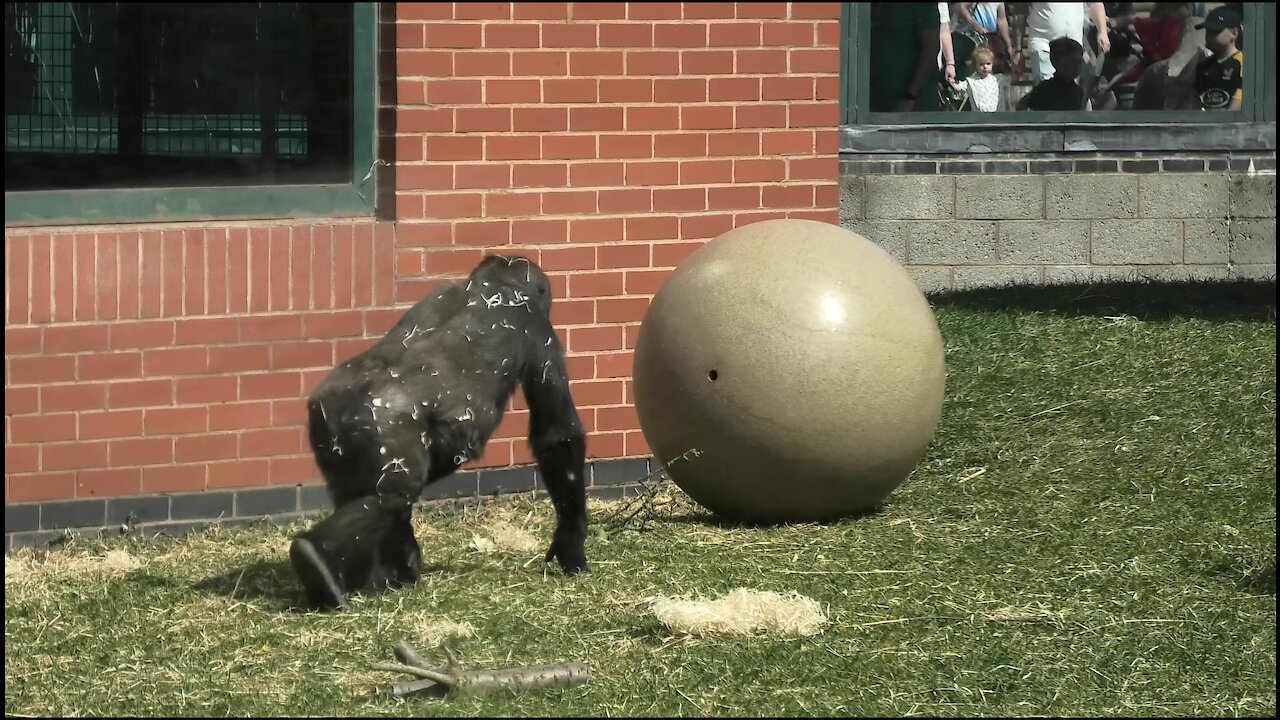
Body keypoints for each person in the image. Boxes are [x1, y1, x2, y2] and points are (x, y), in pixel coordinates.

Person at [869, 4, 943, 112]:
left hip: (915, 103)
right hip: (876, 100)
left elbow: (931, 48)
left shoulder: (923, 7)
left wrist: (910, 96)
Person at [1025, 3, 1110, 82]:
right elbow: (1020, 9)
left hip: (1073, 49)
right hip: (1044, 46)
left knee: (1069, 92)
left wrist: (1102, 31)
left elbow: (1095, 4)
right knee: (1050, 92)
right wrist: (1017, 49)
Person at [1192, 5, 1244, 111]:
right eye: (1208, 31)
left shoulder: (1243, 63)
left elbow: (1242, 99)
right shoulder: (1203, 66)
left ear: (1234, 33)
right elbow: (1194, 99)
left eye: (1215, 32)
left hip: (1231, 124)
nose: (1209, 36)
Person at [1018, 36, 1085, 111]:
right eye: (1072, 62)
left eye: (1079, 62)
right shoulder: (1044, 90)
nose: (1077, 66)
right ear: (1056, 62)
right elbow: (1022, 105)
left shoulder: (1079, 93)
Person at [953, 2, 1018, 74]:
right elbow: (961, 7)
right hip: (973, 37)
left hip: (991, 36)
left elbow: (1002, 20)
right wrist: (975, 25)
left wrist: (1008, 44)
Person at [949, 46, 1004, 111]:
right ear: (975, 65)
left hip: (995, 115)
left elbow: (1011, 81)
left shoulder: (997, 79)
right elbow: (960, 87)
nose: (985, 67)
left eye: (988, 64)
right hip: (978, 116)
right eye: (981, 64)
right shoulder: (971, 81)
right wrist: (953, 83)